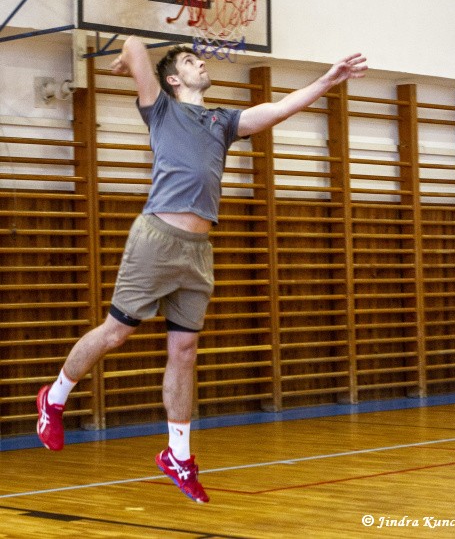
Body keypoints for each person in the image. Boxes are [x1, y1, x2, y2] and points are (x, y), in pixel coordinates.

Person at [36, 36, 367, 503]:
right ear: (174, 79)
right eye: (192, 60)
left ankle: (177, 455)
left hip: (197, 250)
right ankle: (53, 398)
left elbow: (279, 109)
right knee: (115, 333)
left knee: (185, 349)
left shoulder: (222, 122)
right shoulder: (160, 109)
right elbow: (134, 43)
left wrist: (328, 80)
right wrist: (129, 60)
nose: (201, 63)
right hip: (156, 239)